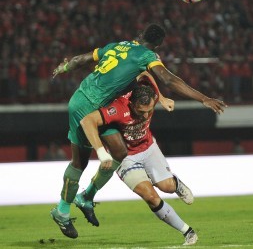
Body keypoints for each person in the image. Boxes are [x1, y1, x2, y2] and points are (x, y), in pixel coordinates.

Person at [50, 23, 227, 239]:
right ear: (158, 45)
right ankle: (62, 211)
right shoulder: (148, 55)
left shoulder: (117, 46)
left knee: (120, 152)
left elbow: (81, 60)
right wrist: (204, 98)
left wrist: (64, 68)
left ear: (140, 34)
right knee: (81, 163)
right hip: (84, 106)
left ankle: (87, 197)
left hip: (94, 101)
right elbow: (169, 79)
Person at [80, 73, 198, 245]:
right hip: (126, 158)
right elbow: (88, 120)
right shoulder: (118, 108)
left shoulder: (152, 94)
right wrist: (101, 151)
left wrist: (163, 98)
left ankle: (176, 184)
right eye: (141, 111)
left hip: (149, 148)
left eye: (149, 110)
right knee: (151, 196)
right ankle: (188, 232)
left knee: (167, 187)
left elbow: (144, 72)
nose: (145, 116)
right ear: (131, 104)